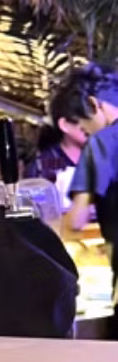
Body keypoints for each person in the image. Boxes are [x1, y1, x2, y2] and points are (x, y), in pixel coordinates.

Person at [57, 66, 118, 286]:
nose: (86, 135)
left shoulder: (102, 143)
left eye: (84, 128)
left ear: (93, 104)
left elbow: (75, 222)